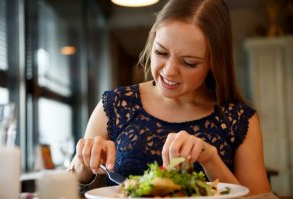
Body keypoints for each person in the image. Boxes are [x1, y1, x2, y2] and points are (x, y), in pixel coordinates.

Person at [69, 0, 271, 196]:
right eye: (161, 52)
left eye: (189, 62)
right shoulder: (115, 105)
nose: (170, 71)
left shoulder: (239, 120)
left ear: (214, 62)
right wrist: (82, 165)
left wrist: (210, 160)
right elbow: (66, 189)